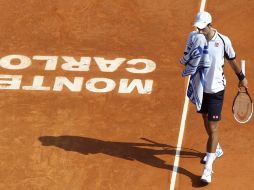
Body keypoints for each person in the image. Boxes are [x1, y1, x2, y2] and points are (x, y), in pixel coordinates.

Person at [180, 11, 248, 184]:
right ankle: (216, 148)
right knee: (205, 119)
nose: (199, 30)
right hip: (202, 89)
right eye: (198, 27)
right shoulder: (195, 39)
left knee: (213, 125)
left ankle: (208, 169)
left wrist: (242, 77)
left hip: (217, 89)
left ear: (210, 25)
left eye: (202, 27)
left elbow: (232, 60)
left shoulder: (224, 40)